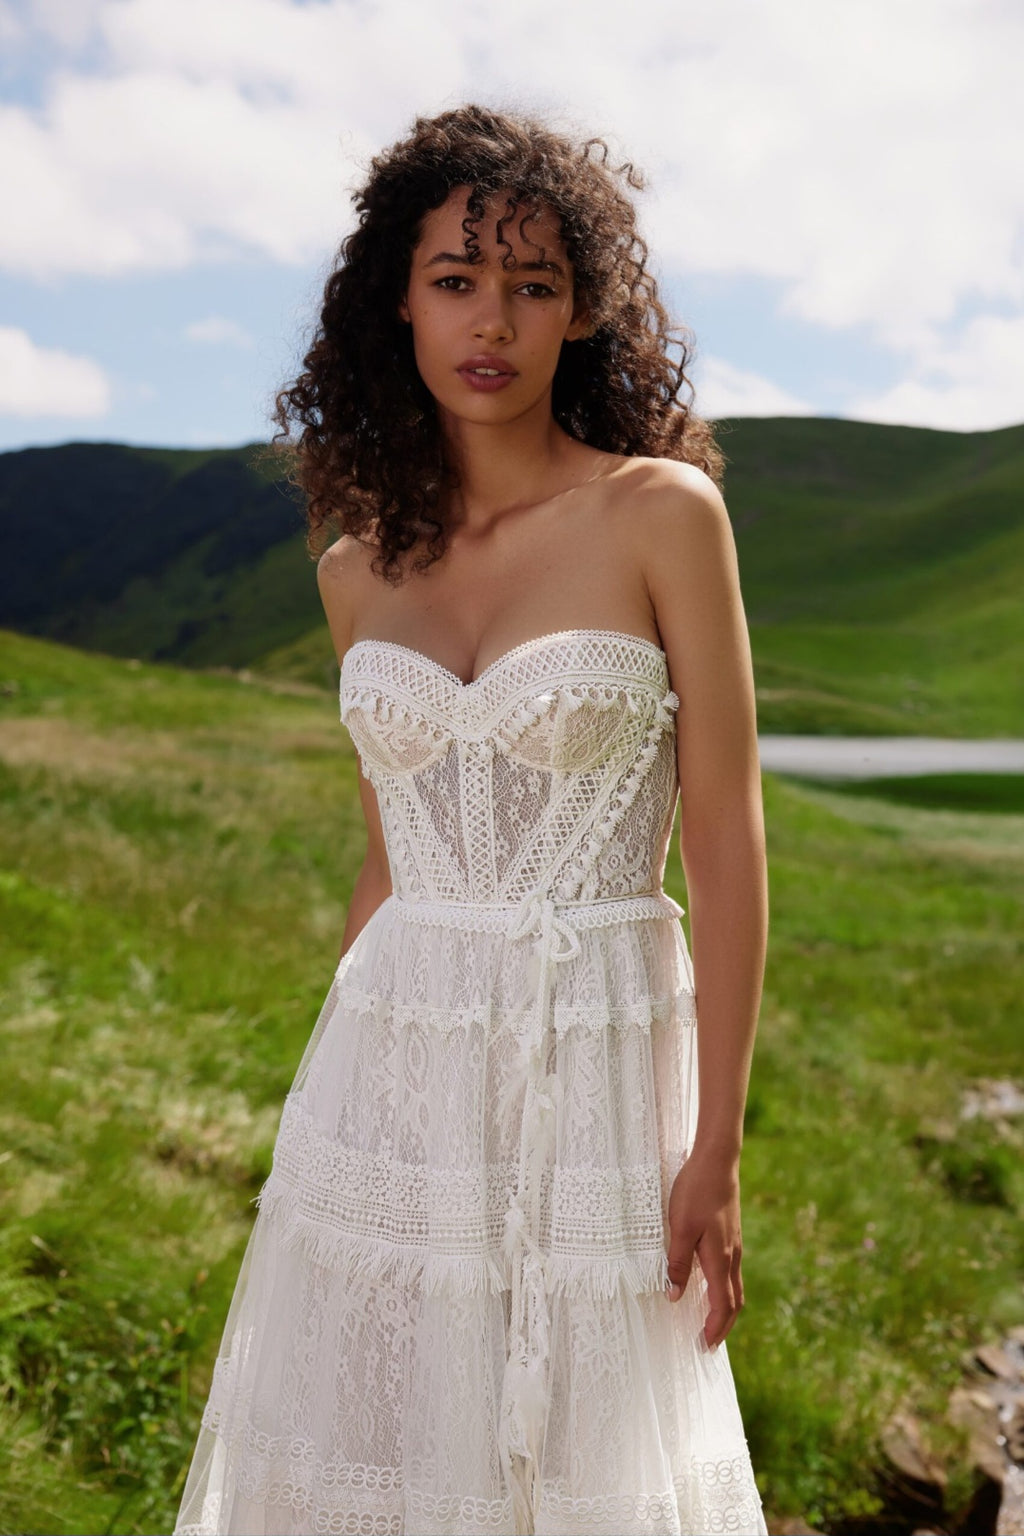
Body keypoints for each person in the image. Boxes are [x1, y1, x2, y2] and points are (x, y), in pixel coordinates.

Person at [175, 103, 769, 1536]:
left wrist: (719, 1145)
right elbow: (392, 855)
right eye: (456, 278)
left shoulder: (660, 515)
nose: (491, 318)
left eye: (534, 283)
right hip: (396, 1061)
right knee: (377, 1442)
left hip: (602, 1052)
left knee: (581, 1458)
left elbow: (728, 839)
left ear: (581, 312)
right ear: (400, 299)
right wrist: (340, 1113)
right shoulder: (355, 568)